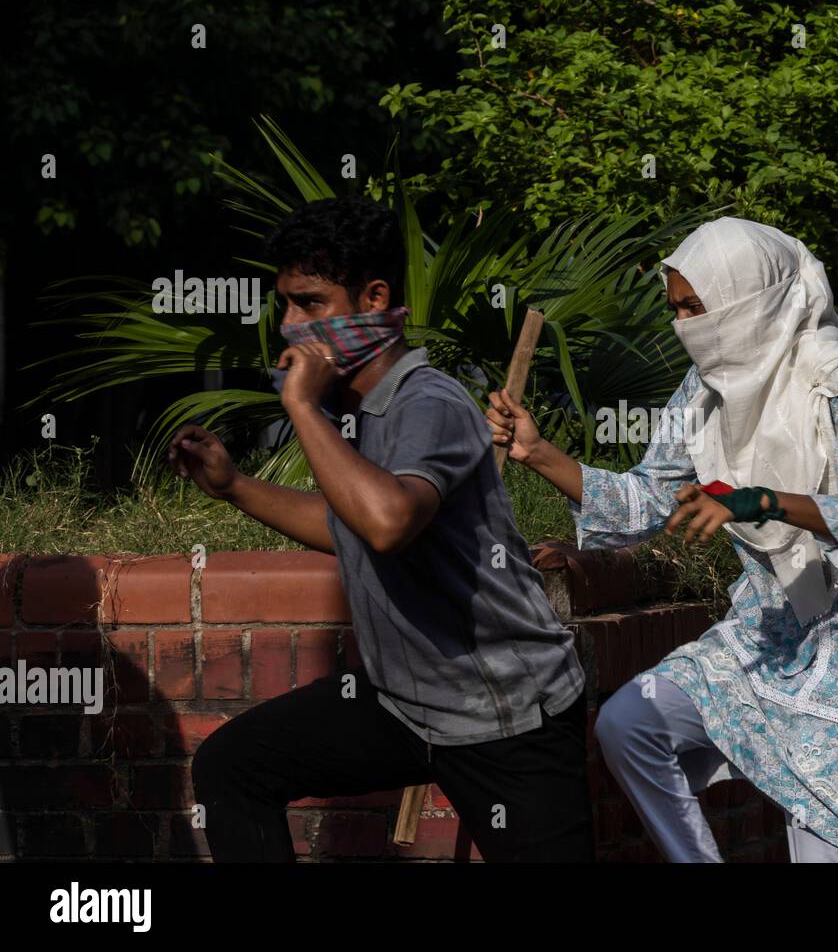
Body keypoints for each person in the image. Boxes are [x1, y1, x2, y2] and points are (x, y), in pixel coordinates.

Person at [488, 217, 838, 862]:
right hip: (760, 628)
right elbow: (651, 496)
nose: (687, 325)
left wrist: (761, 501)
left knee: (834, 834)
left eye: (697, 307)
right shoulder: (705, 388)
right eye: (678, 310)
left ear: (749, 299)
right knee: (630, 725)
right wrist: (540, 452)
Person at [178, 196, 592, 862]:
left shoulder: (427, 400)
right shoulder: (357, 410)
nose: (291, 326)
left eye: (311, 304)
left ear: (374, 297)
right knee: (234, 766)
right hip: (406, 704)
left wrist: (301, 407)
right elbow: (347, 521)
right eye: (284, 305)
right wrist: (232, 485)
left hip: (505, 712)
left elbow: (388, 522)